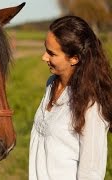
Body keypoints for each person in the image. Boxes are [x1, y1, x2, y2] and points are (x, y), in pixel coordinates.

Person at [29, 15, 112, 180]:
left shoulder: (91, 105)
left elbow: (91, 173)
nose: (44, 57)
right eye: (46, 49)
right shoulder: (51, 84)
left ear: (74, 58)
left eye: (51, 53)